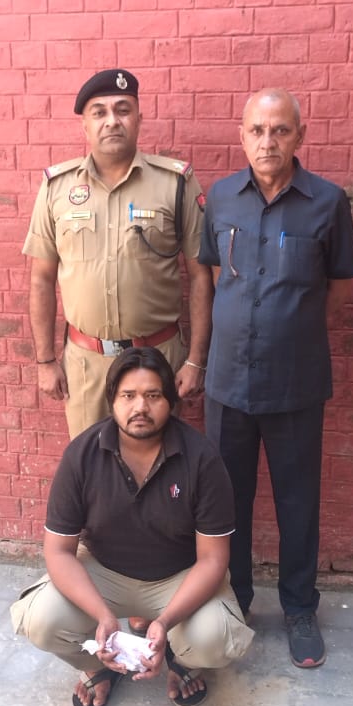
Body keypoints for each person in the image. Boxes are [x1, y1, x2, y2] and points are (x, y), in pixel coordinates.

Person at [198, 88, 353, 670]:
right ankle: (234, 600)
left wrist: (292, 327)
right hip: (228, 383)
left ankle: (298, 609)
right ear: (241, 136)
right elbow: (213, 277)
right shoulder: (221, 198)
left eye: (280, 130)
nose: (267, 142)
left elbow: (338, 286)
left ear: (299, 136)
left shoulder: (327, 203)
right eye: (257, 130)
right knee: (227, 502)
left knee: (297, 501)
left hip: (296, 383)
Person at [9, 347, 254, 706]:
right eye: (128, 395)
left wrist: (165, 622)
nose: (140, 407)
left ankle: (181, 661)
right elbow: (58, 551)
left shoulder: (202, 459)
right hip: (104, 571)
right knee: (41, 620)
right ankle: (99, 666)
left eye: (153, 395)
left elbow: (213, 560)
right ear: (112, 400)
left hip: (179, 576)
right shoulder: (82, 455)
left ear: (170, 402)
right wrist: (103, 617)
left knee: (216, 638)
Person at [23, 68, 212, 438]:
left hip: (158, 360)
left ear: (138, 118)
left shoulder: (175, 184)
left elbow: (200, 276)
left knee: (159, 463)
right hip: (85, 366)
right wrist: (45, 360)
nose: (112, 120)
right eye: (99, 112)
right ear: (85, 125)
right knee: (92, 464)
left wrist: (195, 361)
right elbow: (41, 279)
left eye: (123, 110)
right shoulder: (57, 188)